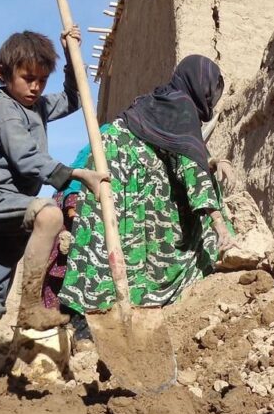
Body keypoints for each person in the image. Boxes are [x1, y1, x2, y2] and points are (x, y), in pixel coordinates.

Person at [0, 29, 108, 380]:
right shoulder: (6, 112)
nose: (36, 87)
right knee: (50, 213)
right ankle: (30, 305)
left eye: (42, 80)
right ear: (3, 74)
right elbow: (26, 159)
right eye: (27, 78)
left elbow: (73, 100)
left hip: (13, 215)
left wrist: (71, 58)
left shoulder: (36, 107)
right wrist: (76, 174)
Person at [58, 54, 235, 314]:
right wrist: (220, 225)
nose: (211, 98)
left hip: (114, 172)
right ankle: (162, 292)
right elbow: (192, 169)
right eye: (210, 91)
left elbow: (177, 149)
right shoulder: (183, 106)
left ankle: (111, 304)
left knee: (122, 240)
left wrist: (212, 161)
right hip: (126, 173)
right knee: (197, 209)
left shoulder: (162, 99)